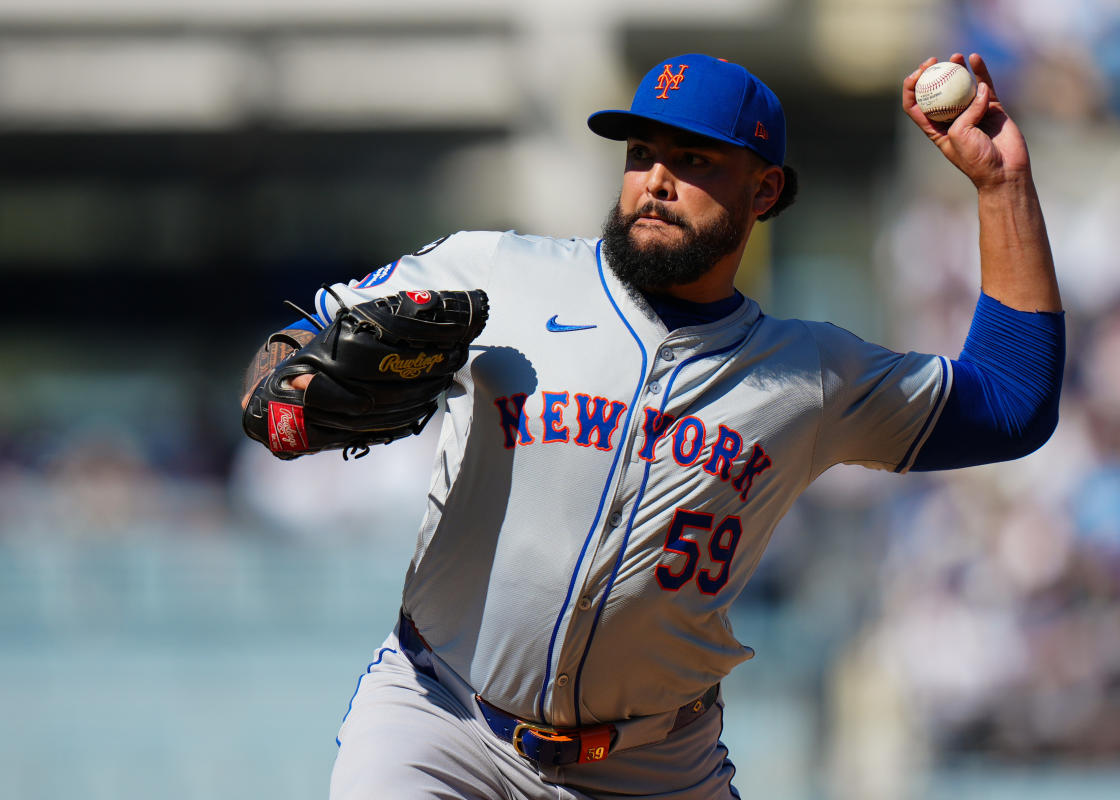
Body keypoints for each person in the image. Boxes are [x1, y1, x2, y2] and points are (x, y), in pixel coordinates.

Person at [240, 52, 1064, 799]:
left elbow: (1011, 403)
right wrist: (280, 400)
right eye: (641, 154)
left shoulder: (809, 375)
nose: (656, 180)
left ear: (764, 192)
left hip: (653, 767)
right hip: (441, 723)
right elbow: (299, 343)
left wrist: (1001, 188)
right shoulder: (500, 274)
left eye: (694, 159)